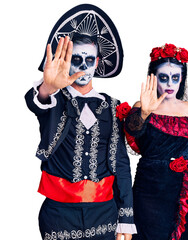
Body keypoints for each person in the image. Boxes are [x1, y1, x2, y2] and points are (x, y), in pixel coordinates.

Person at [25, 4, 136, 240]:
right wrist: (48, 87)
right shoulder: (55, 99)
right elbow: (36, 102)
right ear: (66, 61)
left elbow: (121, 165)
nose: (83, 66)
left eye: (89, 59)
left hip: (104, 212)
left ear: (97, 62)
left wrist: (126, 219)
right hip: (58, 213)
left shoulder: (114, 107)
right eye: (76, 59)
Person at [124, 43, 188, 240]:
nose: (170, 84)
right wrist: (144, 112)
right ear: (153, 78)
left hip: (181, 190)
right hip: (148, 189)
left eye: (175, 78)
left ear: (181, 79)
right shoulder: (142, 107)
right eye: (163, 78)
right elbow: (131, 130)